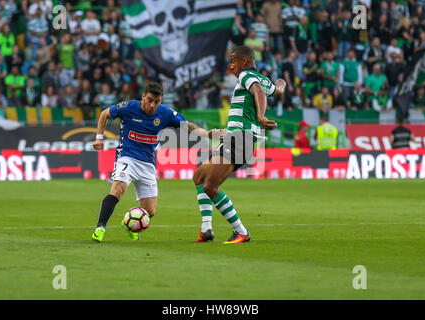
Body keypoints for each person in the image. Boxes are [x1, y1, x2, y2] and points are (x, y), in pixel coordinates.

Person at [91, 82, 220, 243]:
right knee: (118, 190)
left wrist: (206, 134)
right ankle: (100, 229)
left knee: (150, 212)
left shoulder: (165, 113)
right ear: (143, 96)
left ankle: (128, 223)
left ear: (161, 100)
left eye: (157, 101)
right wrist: (99, 138)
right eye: (150, 100)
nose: (152, 105)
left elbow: (187, 126)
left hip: (147, 164)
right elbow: (104, 114)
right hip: (127, 157)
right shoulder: (129, 107)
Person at [192, 46, 286, 244]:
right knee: (199, 177)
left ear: (244, 61)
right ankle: (206, 228)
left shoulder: (246, 75)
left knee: (210, 185)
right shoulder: (260, 78)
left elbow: (259, 91)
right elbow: (275, 90)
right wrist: (281, 83)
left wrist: (260, 116)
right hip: (234, 138)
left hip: (240, 139)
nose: (230, 66)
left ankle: (241, 231)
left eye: (233, 61)